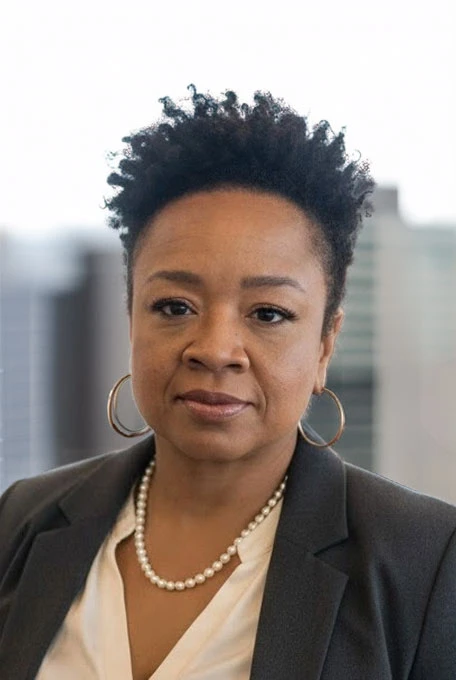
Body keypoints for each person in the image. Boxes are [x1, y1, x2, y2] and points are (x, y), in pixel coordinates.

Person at [0, 86, 455, 680]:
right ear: (131, 316)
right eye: (174, 307)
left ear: (325, 343)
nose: (215, 350)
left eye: (268, 313)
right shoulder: (22, 520)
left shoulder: (428, 561)